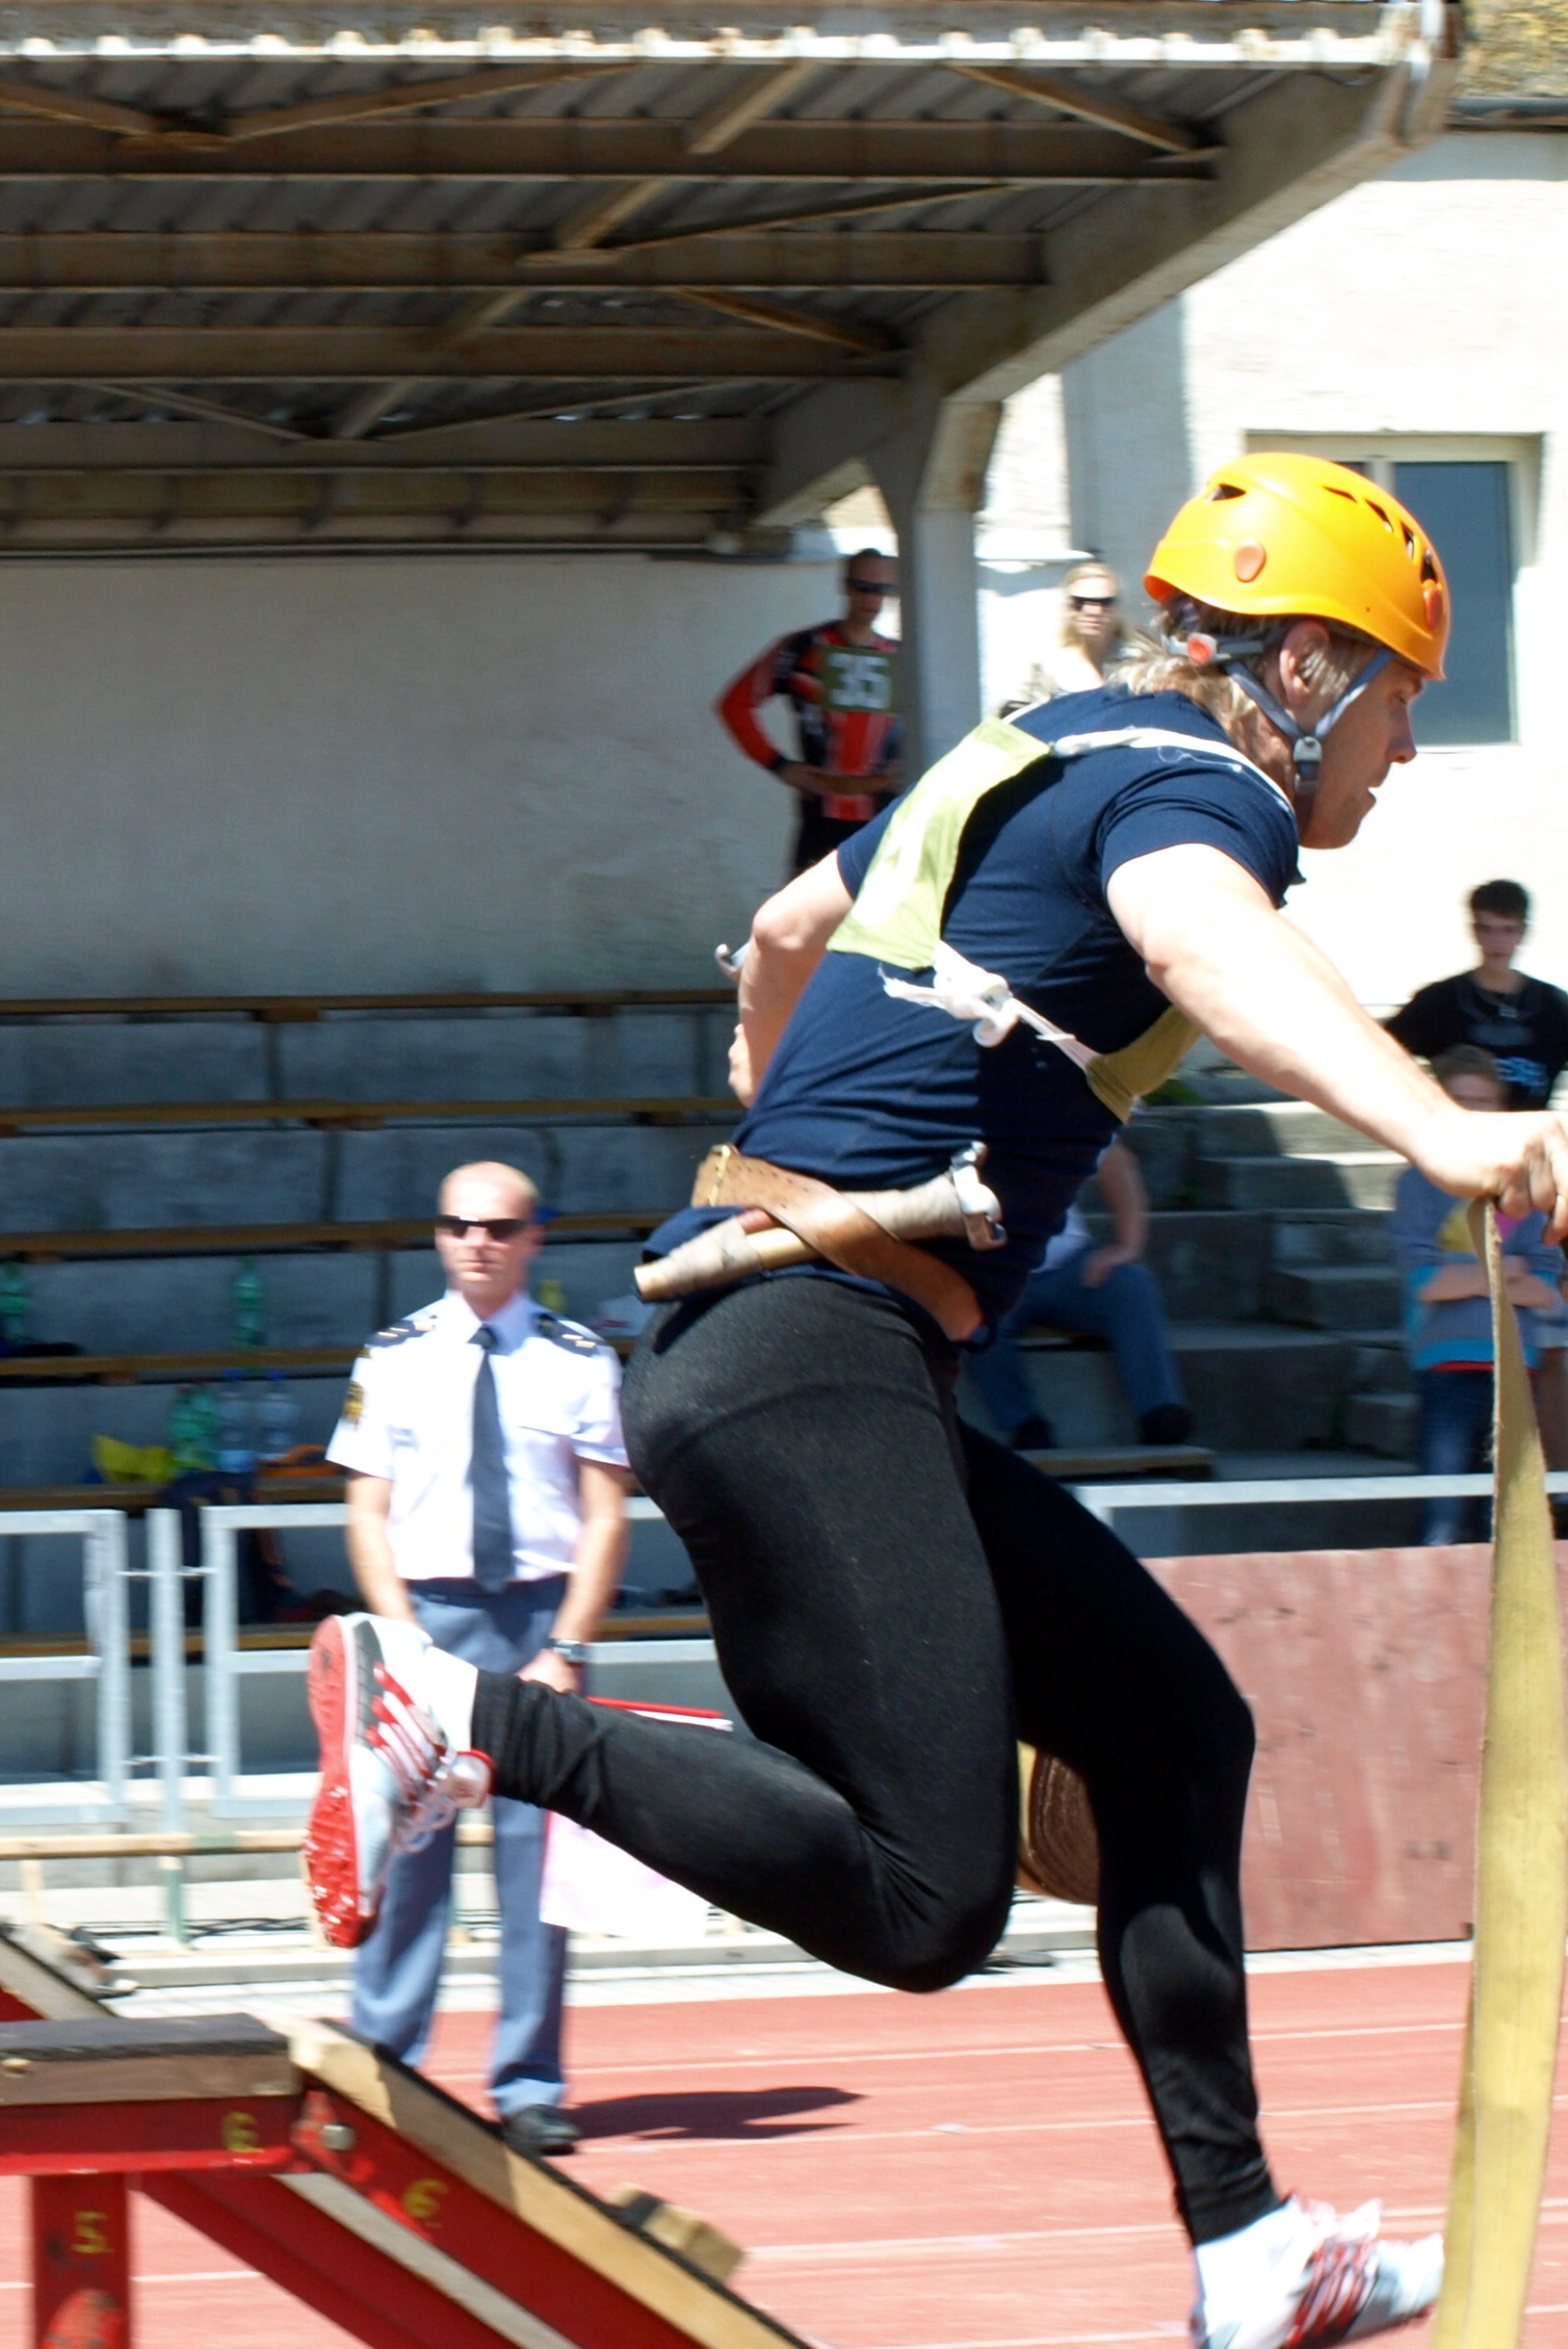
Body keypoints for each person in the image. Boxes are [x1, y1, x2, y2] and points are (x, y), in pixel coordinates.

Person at [308, 453, 1522, 2349]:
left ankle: (1245, 2245)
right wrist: (1436, 1126)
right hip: (807, 1355)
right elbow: (1200, 936)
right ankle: (458, 1710)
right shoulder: (1194, 785)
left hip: (803, 1350)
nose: (1403, 751)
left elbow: (788, 922)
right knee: (921, 1899)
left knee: (1170, 1727)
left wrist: (768, 1107)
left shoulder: (1027, 750)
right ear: (1299, 669)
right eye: (1396, 700)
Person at [327, 1160, 627, 2157]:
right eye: (458, 1225)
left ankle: (529, 2084)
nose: (477, 1243)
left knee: (537, 1872)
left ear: (533, 1237)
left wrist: (567, 1646)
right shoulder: (391, 1357)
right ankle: (384, 2066)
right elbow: (365, 1514)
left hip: (537, 1625)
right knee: (405, 1855)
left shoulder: (578, 1359)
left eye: (498, 1227)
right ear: (437, 1235)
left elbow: (604, 1515)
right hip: (429, 1622)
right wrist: (399, 1640)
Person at [1394, 1047, 1564, 1544]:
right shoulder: (1417, 1184)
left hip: (1517, 1369)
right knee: (1442, 1519)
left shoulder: (1526, 1189)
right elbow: (1426, 1283)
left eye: (1483, 1100)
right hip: (1444, 1367)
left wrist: (1464, 1273)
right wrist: (1505, 1269)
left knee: (1508, 1521)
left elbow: (1544, 1292)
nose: (1472, 1111)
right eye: (1459, 1100)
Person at [962, 1138, 1194, 1452]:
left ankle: (1158, 1413)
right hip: (994, 1277)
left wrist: (1128, 1246)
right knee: (974, 1322)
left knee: (1131, 1284)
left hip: (1071, 1266)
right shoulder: (950, 1124)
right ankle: (1025, 1424)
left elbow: (1117, 1162)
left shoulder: (1056, 1113)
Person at [717, 549, 906, 874]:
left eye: (882, 589)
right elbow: (734, 704)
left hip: (887, 821)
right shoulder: (801, 648)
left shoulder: (904, 657)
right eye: (863, 587)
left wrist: (914, 763)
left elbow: (939, 720)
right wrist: (779, 765)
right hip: (820, 821)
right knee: (807, 909)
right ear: (844, 586)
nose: (872, 598)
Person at [1386, 881, 1568, 1111]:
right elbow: (1379, 1055)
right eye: (1487, 929)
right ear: (1474, 931)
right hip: (1456, 1130)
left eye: (1508, 930)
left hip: (1529, 1131)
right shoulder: (1439, 1001)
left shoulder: (1554, 1006)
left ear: (1523, 933)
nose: (1497, 942)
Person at [1001, 561, 1151, 718]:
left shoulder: (1140, 665)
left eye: (1104, 603)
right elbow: (1013, 721)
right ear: (1068, 607)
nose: (1093, 611)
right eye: (1080, 602)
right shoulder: (1045, 667)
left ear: (1117, 608)